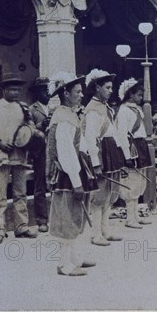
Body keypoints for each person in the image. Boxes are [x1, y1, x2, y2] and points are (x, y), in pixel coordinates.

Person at [46, 72, 98, 276]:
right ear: (66, 93)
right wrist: (76, 181)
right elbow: (66, 151)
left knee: (77, 213)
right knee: (66, 215)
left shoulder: (70, 115)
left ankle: (76, 257)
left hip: (77, 169)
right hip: (69, 173)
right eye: (77, 91)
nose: (81, 94)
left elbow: (79, 144)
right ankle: (63, 265)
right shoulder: (63, 118)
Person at [0, 73, 39, 244]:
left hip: (19, 157)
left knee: (21, 193)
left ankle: (21, 226)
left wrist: (28, 136)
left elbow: (29, 129)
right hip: (0, 157)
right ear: (3, 90)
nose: (16, 92)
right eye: (12, 89)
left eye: (18, 89)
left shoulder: (23, 108)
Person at [83, 69, 125, 245]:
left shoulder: (105, 107)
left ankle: (106, 230)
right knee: (99, 195)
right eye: (107, 87)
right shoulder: (92, 110)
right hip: (100, 152)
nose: (110, 90)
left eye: (111, 87)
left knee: (109, 194)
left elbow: (113, 132)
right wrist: (96, 163)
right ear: (97, 87)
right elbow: (90, 138)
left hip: (110, 150)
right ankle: (95, 234)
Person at [116, 78, 154, 229]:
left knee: (140, 180)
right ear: (130, 95)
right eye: (138, 94)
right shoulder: (123, 111)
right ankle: (129, 218)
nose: (140, 97)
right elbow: (121, 134)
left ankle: (136, 215)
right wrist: (127, 156)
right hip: (132, 147)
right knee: (131, 180)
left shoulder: (137, 109)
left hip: (141, 145)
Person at [28, 77, 52, 233]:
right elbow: (28, 130)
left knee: (57, 184)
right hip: (40, 152)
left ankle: (56, 217)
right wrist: (41, 125)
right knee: (40, 186)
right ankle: (42, 220)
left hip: (54, 150)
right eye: (43, 90)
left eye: (48, 90)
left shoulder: (54, 108)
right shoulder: (31, 109)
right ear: (37, 92)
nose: (46, 93)